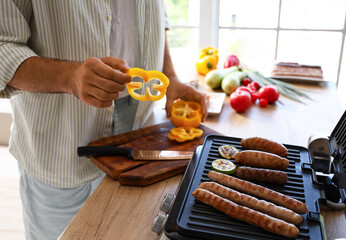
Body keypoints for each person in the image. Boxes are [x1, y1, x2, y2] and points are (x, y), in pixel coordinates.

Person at [0, 1, 208, 239]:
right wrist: (69, 77)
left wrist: (170, 76)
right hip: (60, 145)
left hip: (141, 136)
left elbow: (156, 12)